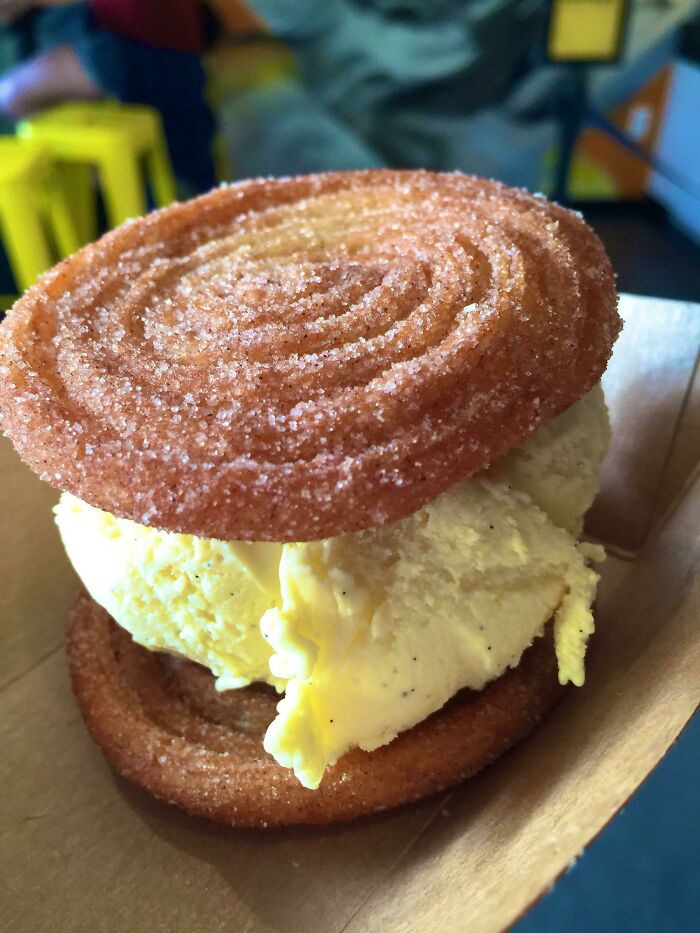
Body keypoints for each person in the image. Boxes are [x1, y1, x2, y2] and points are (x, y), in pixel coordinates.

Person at [0, 0, 216, 194]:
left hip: (135, 45)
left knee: (8, 93)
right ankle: (111, 180)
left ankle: (114, 186)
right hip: (167, 47)